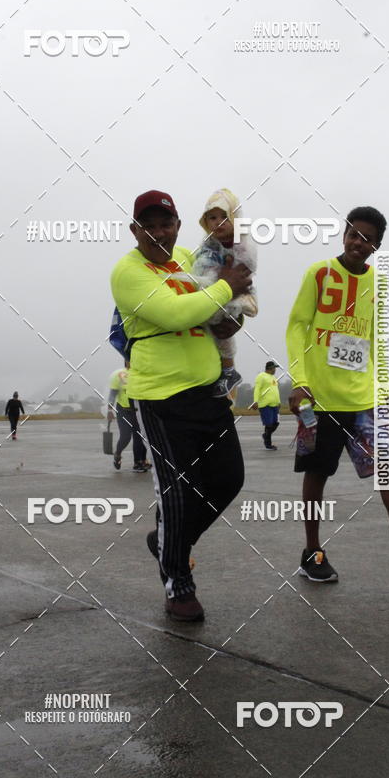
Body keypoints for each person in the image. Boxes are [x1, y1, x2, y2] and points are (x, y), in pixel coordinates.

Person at [286, 206, 389, 589]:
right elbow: (297, 327)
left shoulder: (379, 285)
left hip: (364, 400)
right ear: (343, 234)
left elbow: (378, 342)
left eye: (367, 239)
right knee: (317, 475)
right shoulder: (319, 273)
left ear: (377, 245)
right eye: (353, 235)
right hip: (321, 399)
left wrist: (384, 391)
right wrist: (300, 380)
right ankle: (312, 554)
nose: (358, 244)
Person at [111, 189, 252, 621]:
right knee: (175, 493)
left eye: (166, 224)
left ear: (177, 226)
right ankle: (178, 583)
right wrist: (229, 285)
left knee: (229, 479)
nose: (158, 233)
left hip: (208, 391)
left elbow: (213, 301)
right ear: (136, 230)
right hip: (160, 397)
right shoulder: (128, 271)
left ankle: (170, 541)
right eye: (148, 226)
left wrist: (233, 311)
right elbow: (174, 313)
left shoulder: (187, 258)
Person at [190, 188, 258, 396]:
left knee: (222, 328)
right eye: (212, 217)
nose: (218, 222)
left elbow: (244, 272)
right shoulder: (206, 246)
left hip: (234, 296)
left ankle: (228, 370)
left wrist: (224, 284)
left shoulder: (243, 244)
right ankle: (225, 370)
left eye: (224, 217)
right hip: (213, 296)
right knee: (214, 326)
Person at [107, 363, 149, 472]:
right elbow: (113, 394)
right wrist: (109, 410)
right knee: (125, 436)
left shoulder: (141, 374)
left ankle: (140, 462)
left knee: (140, 436)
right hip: (123, 410)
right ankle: (118, 454)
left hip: (138, 410)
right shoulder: (119, 375)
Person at [250, 361, 281, 450]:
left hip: (275, 405)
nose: (275, 369)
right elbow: (257, 389)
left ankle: (265, 435)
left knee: (276, 423)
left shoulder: (273, 377)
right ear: (270, 368)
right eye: (274, 368)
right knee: (269, 425)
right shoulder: (261, 376)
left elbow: (276, 390)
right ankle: (268, 444)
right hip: (265, 405)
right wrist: (255, 401)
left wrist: (279, 402)